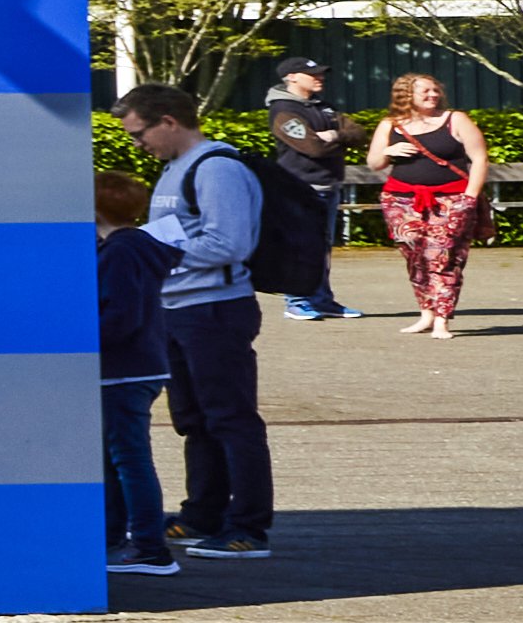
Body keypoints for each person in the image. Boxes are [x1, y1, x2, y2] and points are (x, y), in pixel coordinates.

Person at [139, 84, 277, 557]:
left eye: (141, 133)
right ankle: (202, 512)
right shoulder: (175, 169)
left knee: (231, 418)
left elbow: (229, 244)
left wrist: (150, 255)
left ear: (169, 122)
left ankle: (248, 528)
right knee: (195, 419)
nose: (139, 143)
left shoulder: (216, 169)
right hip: (179, 309)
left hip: (214, 309)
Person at [93, 177, 178, 581]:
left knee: (128, 458)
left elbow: (120, 316)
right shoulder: (137, 247)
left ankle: (149, 546)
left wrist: (81, 338)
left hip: (122, 370)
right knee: (118, 458)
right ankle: (116, 539)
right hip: (139, 367)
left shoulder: (120, 252)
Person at [372, 73, 492, 338]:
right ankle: (426, 313)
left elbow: (480, 159)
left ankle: (442, 319)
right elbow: (374, 163)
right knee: (415, 256)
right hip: (400, 201)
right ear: (406, 95)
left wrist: (469, 198)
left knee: (444, 256)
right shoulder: (390, 124)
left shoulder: (455, 120)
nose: (433, 95)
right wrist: (387, 152)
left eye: (436, 90)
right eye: (425, 91)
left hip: (450, 200)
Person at [253, 62, 352, 323]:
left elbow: (358, 133)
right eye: (313, 74)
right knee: (298, 244)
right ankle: (296, 301)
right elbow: (312, 148)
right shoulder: (282, 110)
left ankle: (322, 300)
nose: (320, 77)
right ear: (292, 77)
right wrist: (331, 139)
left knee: (323, 246)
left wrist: (332, 135)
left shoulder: (323, 106)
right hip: (300, 186)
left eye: (321, 72)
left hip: (328, 184)